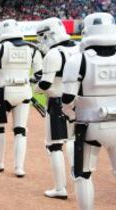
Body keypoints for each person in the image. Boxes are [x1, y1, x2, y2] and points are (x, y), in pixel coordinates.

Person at [62, 12, 116, 210]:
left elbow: (67, 99)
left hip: (89, 125)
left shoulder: (78, 60)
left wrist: (68, 114)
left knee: (83, 174)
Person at [0, 19, 42, 177]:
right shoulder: (33, 49)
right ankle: (19, 168)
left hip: (2, 92)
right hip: (24, 92)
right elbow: (39, 74)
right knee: (21, 130)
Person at [35, 17, 80, 199]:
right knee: (72, 139)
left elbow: (45, 84)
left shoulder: (53, 54)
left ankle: (60, 187)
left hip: (57, 101)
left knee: (54, 145)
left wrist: (35, 87)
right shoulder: (79, 48)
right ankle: (76, 171)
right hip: (78, 100)